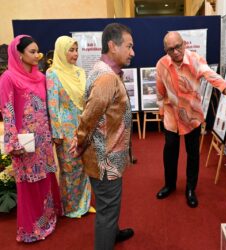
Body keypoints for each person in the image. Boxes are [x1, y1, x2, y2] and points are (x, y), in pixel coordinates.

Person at [156, 31, 226, 208]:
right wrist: (160, 106)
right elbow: (159, 88)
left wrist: (225, 88)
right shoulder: (162, 64)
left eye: (178, 47)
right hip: (172, 115)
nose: (175, 52)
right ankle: (170, 185)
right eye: (170, 49)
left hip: (192, 115)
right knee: (170, 151)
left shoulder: (195, 59)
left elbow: (210, 75)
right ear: (166, 50)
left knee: (193, 154)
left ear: (184, 44)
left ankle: (190, 189)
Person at [69, 23, 135, 250]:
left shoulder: (102, 70)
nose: (132, 52)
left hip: (108, 154)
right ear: (112, 46)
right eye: (129, 46)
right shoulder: (106, 78)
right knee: (107, 210)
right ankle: (107, 239)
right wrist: (78, 141)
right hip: (105, 159)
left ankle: (113, 233)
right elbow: (89, 117)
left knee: (110, 205)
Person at [0, 35, 62, 242]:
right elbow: (7, 110)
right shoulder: (8, 78)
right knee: (28, 185)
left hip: (43, 140)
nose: (38, 55)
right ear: (19, 53)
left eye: (38, 51)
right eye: (32, 52)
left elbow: (48, 108)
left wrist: (54, 132)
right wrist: (13, 142)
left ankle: (47, 219)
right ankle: (31, 228)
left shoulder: (41, 77)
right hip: (24, 143)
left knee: (45, 179)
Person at [46, 36, 95, 218]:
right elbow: (53, 104)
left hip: (82, 125)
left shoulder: (80, 72)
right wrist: (56, 132)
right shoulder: (53, 73)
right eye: (71, 50)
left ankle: (84, 202)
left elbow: (87, 100)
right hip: (65, 128)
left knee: (84, 165)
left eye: (76, 50)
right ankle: (70, 206)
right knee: (69, 168)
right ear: (61, 51)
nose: (75, 54)